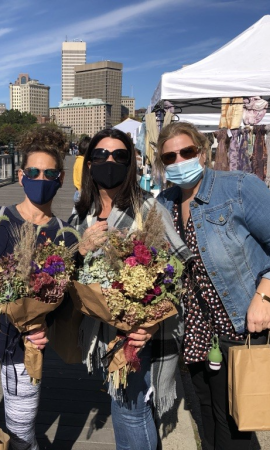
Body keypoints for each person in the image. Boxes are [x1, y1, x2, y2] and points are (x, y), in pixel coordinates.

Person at [154, 121, 270, 450]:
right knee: (207, 413)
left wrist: (265, 296)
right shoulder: (165, 203)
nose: (180, 161)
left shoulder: (238, 187)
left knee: (238, 424)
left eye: (187, 152)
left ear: (203, 152)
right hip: (196, 328)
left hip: (241, 323)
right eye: (170, 157)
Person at [0, 126, 78, 450]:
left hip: (25, 348)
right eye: (33, 172)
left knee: (22, 430)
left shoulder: (66, 235)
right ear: (21, 175)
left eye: (49, 173)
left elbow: (64, 298)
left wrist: (45, 327)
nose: (41, 179)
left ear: (61, 178)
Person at [69, 128, 193, 450]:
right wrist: (80, 250)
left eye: (119, 156)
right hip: (102, 331)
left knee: (130, 411)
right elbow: (71, 273)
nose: (109, 161)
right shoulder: (81, 213)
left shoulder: (148, 208)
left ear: (130, 164)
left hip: (140, 333)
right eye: (101, 155)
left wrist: (150, 323)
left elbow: (179, 268)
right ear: (89, 163)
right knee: (129, 407)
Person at [72, 136, 91, 207]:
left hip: (79, 192)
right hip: (82, 193)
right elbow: (82, 179)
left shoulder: (79, 160)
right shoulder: (82, 162)